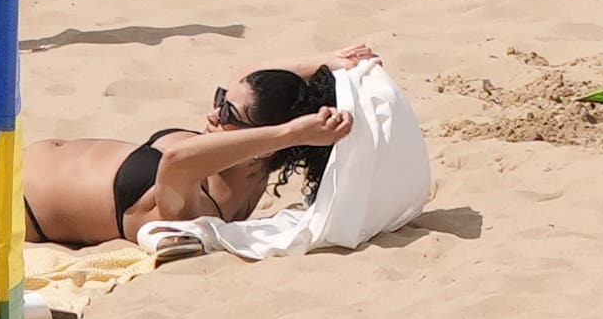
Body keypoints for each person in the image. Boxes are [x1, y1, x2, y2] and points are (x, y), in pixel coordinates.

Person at [19, 61, 353, 247]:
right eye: (219, 100)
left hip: (13, 207)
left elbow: (177, 160)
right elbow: (245, 79)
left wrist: (290, 133)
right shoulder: (244, 158)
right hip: (13, 161)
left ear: (263, 145)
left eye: (226, 114)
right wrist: (326, 65)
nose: (213, 115)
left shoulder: (197, 210)